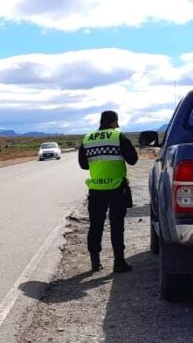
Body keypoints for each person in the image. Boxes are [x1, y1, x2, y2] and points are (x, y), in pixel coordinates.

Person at [78, 110, 138, 273]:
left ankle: (95, 263)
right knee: (117, 225)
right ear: (113, 122)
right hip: (117, 189)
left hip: (96, 189)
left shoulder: (87, 138)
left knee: (95, 225)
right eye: (116, 122)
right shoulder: (118, 136)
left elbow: (83, 165)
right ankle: (119, 262)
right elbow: (133, 159)